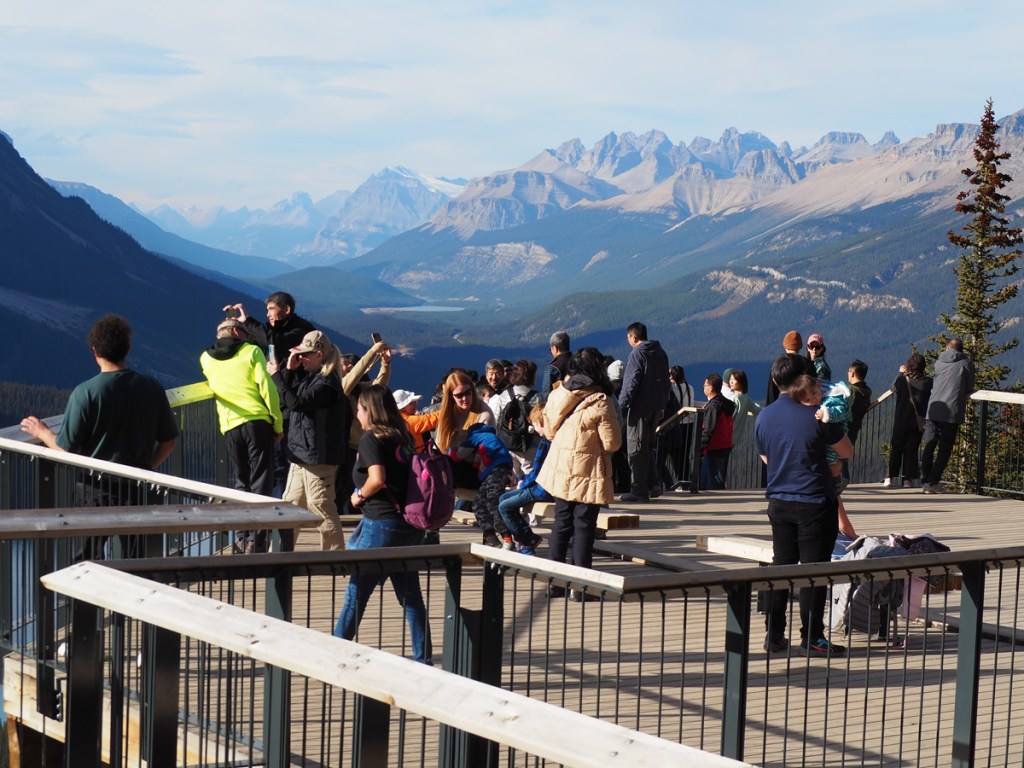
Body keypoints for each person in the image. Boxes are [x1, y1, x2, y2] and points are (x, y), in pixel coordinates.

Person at [21, 315, 179, 558]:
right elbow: (168, 440)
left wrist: (42, 432)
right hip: (137, 486)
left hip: (94, 488)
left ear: (94, 350)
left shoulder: (86, 393)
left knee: (88, 559)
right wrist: (146, 467)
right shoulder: (152, 387)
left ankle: (85, 597)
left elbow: (66, 450)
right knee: (138, 558)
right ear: (128, 348)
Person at [755, 354, 853, 658]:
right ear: (806, 380)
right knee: (814, 571)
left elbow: (766, 458)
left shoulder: (764, 416)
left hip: (779, 500)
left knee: (781, 565)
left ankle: (774, 634)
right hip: (814, 500)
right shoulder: (818, 414)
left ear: (775, 381)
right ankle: (811, 636)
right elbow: (846, 450)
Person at [332, 385, 432, 664]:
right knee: (410, 596)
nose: (357, 413)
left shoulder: (371, 439)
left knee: (357, 592)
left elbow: (377, 478)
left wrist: (357, 496)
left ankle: (335, 650)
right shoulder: (402, 436)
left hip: (381, 525)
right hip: (409, 526)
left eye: (361, 408)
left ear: (370, 411)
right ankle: (423, 658)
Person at [199, 317, 284, 553]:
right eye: (246, 333)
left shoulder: (205, 358)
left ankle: (241, 535)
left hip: (230, 425)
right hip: (258, 423)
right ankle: (256, 541)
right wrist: (278, 424)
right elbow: (267, 389)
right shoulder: (251, 352)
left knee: (241, 482)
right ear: (237, 332)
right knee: (261, 482)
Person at [538, 348, 621, 584]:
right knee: (584, 525)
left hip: (562, 467)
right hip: (589, 470)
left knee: (561, 522)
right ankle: (581, 583)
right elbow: (612, 443)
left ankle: (554, 580)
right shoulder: (601, 401)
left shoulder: (558, 394)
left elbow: (550, 432)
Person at [226, 292, 317, 496]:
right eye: (266, 309)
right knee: (278, 455)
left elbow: (273, 341)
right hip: (280, 398)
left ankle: (285, 501)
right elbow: (266, 346)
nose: (267, 314)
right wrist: (244, 335)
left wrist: (247, 321)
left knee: (287, 455)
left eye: (271, 309)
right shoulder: (279, 328)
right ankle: (280, 497)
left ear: (286, 309)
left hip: (294, 399)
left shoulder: (300, 330)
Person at [268, 330, 348, 550]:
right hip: (301, 454)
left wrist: (277, 375)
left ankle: (335, 558)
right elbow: (290, 399)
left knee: (320, 506)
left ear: (319, 355)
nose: (300, 358)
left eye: (305, 355)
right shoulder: (313, 378)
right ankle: (278, 556)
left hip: (318, 457)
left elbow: (297, 403)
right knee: (292, 505)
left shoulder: (326, 385)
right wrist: (289, 371)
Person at [434, 370, 508, 545]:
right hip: (458, 467)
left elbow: (470, 450)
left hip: (482, 471)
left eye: (468, 393)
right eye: (459, 395)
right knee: (437, 468)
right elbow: (440, 445)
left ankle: (493, 537)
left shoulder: (483, 414)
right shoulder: (447, 415)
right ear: (450, 397)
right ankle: (432, 530)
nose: (465, 398)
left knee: (444, 467)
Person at [618, 322, 670, 502]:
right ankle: (654, 485)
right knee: (647, 446)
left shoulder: (637, 354)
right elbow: (665, 380)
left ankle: (639, 490)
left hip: (640, 407)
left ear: (633, 337)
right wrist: (662, 404)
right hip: (656, 407)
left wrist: (621, 406)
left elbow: (631, 382)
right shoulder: (660, 353)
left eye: (628, 338)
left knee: (636, 448)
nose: (628, 341)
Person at [921, 338, 975, 493]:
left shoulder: (938, 362)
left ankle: (925, 479)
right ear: (961, 349)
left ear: (947, 348)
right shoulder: (966, 364)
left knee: (930, 444)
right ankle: (932, 482)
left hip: (933, 408)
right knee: (945, 448)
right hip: (951, 411)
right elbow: (969, 386)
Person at [496, 403, 549, 555]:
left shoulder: (546, 443)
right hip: (537, 486)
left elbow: (538, 472)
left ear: (541, 423)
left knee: (504, 507)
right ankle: (527, 537)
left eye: (534, 425)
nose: (533, 429)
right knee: (504, 498)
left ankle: (527, 542)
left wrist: (523, 484)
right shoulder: (544, 441)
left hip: (540, 490)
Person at [885, 353, 932, 488]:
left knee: (896, 448)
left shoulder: (902, 380)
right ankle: (908, 480)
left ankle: (890, 477)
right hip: (917, 422)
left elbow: (893, 388)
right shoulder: (928, 382)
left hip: (901, 419)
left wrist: (900, 373)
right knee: (911, 449)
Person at [489, 359, 543, 477]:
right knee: (530, 477)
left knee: (510, 478)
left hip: (507, 443)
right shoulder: (537, 397)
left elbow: (496, 419)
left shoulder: (504, 395)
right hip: (529, 444)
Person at [699, 374, 735, 490]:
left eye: (705, 385)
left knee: (709, 483)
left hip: (713, 447)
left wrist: (700, 447)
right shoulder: (726, 404)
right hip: (725, 444)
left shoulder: (713, 407)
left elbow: (708, 429)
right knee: (718, 479)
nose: (703, 387)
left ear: (711, 388)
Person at [765, 330, 814, 405]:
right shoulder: (808, 364)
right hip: (805, 407)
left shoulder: (778, 365)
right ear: (800, 346)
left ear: (785, 345)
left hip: (783, 406)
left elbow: (772, 394)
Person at [846, 360, 872, 445]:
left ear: (853, 374)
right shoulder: (867, 391)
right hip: (854, 431)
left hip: (844, 431)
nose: (848, 373)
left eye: (849, 371)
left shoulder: (851, 391)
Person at [540, 331, 572, 399]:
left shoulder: (552, 368)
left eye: (550, 349)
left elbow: (546, 394)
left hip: (559, 405)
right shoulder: (579, 362)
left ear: (555, 348)